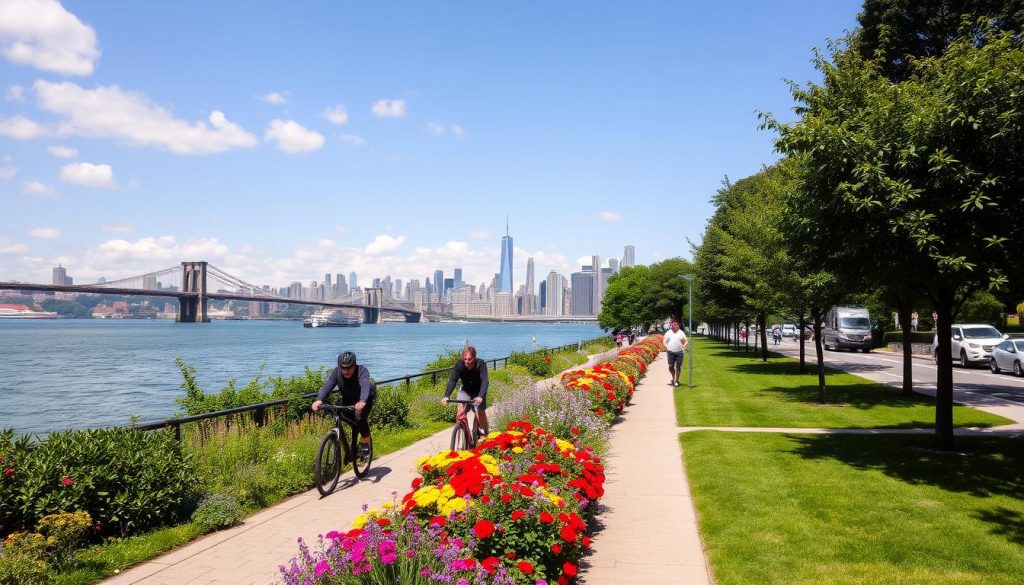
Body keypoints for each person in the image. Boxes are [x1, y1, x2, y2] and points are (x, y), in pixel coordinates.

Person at [312, 351, 375, 458]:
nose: (346, 371)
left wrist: (362, 400)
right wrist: (319, 399)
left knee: (359, 417)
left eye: (349, 368)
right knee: (338, 411)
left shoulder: (362, 371)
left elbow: (365, 385)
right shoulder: (337, 372)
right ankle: (348, 449)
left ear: (354, 365)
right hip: (348, 398)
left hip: (365, 399)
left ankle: (366, 443)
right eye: (343, 368)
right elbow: (329, 385)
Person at [440, 346, 490, 437]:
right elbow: (452, 380)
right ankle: (463, 435)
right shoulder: (459, 365)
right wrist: (446, 395)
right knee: (460, 413)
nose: (467, 362)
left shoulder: (480, 364)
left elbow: (485, 381)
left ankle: (486, 432)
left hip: (478, 392)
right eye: (465, 359)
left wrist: (481, 396)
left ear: (474, 358)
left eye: (470, 359)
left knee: (479, 412)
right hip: (465, 390)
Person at [663, 319, 689, 387]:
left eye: (675, 325)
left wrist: (684, 346)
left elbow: (686, 341)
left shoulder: (681, 333)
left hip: (679, 352)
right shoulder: (668, 333)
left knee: (678, 366)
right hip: (670, 352)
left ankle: (676, 380)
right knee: (670, 366)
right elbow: (664, 341)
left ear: (678, 325)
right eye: (672, 324)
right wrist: (667, 347)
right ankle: (673, 378)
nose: (673, 326)